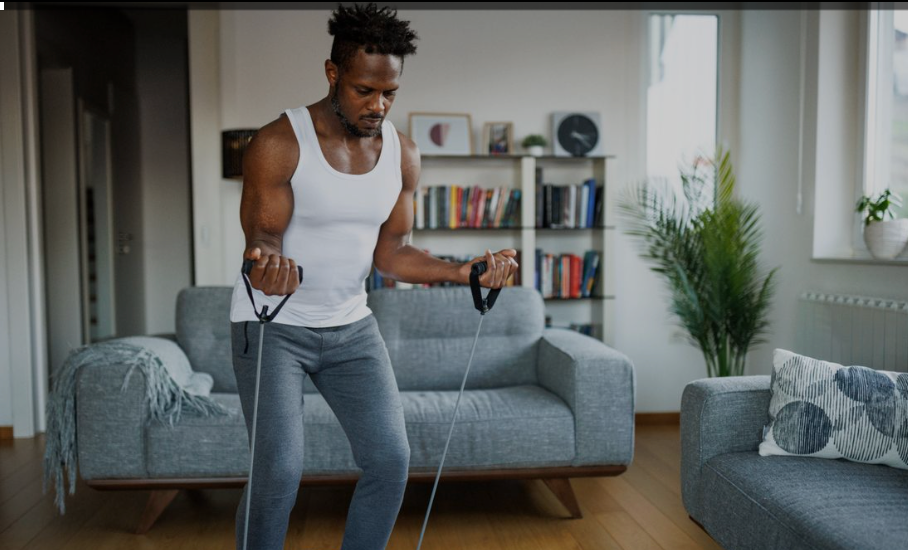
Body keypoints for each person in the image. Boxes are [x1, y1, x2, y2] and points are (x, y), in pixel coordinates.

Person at [227, 4, 519, 550]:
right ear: (332, 73)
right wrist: (268, 267)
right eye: (365, 90)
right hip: (272, 327)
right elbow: (261, 242)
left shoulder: (403, 156)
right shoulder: (279, 142)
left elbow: (393, 253)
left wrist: (461, 271)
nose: (378, 105)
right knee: (279, 475)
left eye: (390, 94)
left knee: (390, 460)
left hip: (351, 330)